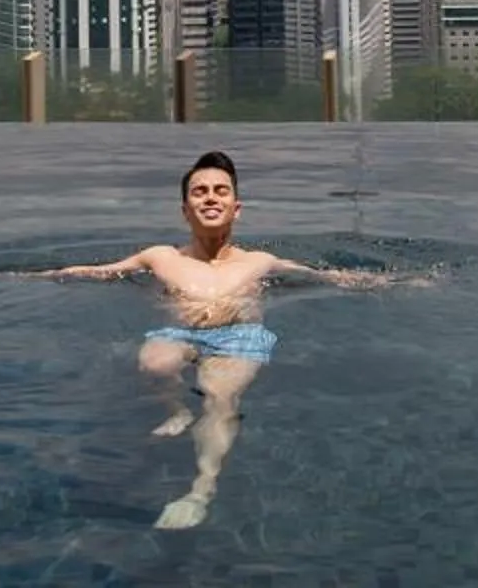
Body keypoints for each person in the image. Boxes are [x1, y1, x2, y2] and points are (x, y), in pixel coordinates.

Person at [45, 149, 371, 530]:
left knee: (219, 396)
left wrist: (396, 281)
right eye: (200, 192)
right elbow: (98, 272)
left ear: (237, 207)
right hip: (179, 332)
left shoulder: (260, 262)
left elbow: (330, 277)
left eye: (221, 190)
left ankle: (200, 490)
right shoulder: (160, 257)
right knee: (155, 363)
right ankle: (177, 409)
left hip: (239, 338)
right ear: (185, 209)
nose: (211, 197)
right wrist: (26, 276)